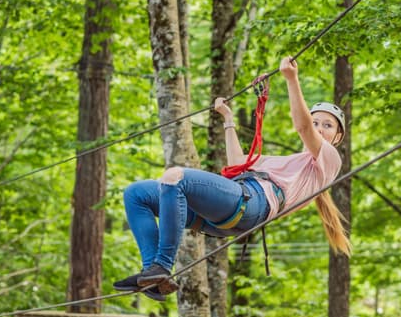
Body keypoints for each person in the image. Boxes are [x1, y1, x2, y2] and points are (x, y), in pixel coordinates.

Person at [114, 56, 351, 301]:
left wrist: (291, 79)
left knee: (175, 177)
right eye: (316, 122)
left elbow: (303, 127)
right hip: (226, 210)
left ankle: (162, 266)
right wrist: (228, 119)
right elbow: (237, 165)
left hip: (252, 203)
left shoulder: (329, 161)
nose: (320, 128)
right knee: (136, 193)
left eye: (328, 125)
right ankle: (151, 275)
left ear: (337, 137)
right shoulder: (280, 162)